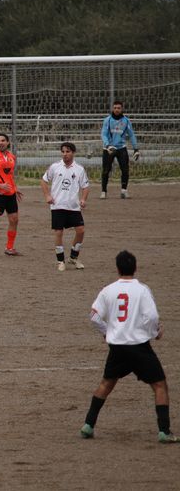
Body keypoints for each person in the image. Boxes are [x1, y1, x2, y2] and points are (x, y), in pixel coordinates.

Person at [80, 250, 179, 443]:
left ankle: (88, 425)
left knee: (106, 384)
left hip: (117, 346)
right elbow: (152, 316)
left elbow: (94, 316)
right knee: (160, 385)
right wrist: (154, 332)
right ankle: (164, 431)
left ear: (117, 269)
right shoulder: (142, 290)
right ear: (136, 268)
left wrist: (107, 332)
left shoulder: (108, 290)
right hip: (138, 346)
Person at [40, 141, 90, 272]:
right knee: (58, 232)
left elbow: (85, 186)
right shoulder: (55, 167)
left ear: (73, 153)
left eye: (68, 151)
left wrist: (83, 199)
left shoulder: (79, 169)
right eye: (63, 152)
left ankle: (73, 257)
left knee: (81, 231)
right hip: (58, 206)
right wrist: (47, 196)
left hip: (73, 206)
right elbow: (44, 181)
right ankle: (60, 261)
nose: (65, 154)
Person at [100, 100, 140, 200]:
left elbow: (131, 135)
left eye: (118, 108)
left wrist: (136, 148)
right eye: (115, 108)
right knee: (106, 170)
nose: (117, 110)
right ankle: (104, 191)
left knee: (125, 170)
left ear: (122, 109)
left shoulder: (126, 121)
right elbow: (103, 134)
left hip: (121, 148)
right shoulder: (107, 120)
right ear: (112, 108)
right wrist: (107, 145)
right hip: (108, 148)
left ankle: (124, 191)